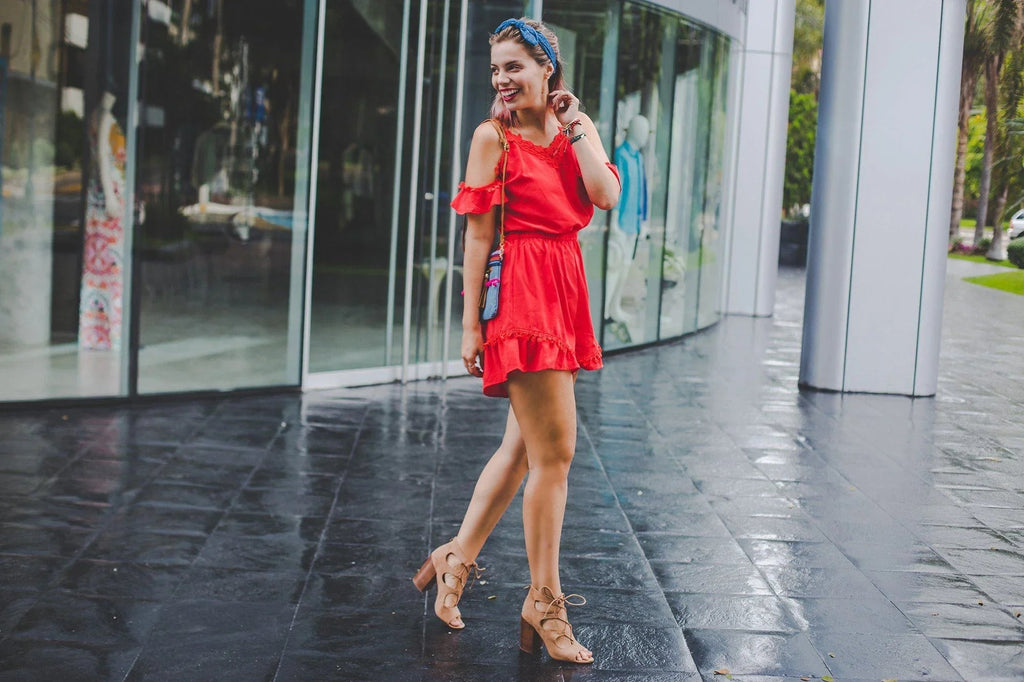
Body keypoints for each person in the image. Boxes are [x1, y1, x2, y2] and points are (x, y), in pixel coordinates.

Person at [412, 18, 620, 664]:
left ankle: (455, 560)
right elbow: (477, 237)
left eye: (515, 68)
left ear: (547, 70)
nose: (502, 80)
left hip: (564, 289)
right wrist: (471, 322)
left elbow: (606, 194)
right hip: (524, 295)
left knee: (523, 451)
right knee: (555, 454)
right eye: (496, 69)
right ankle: (544, 601)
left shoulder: (569, 132)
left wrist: (578, 123)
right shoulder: (490, 138)